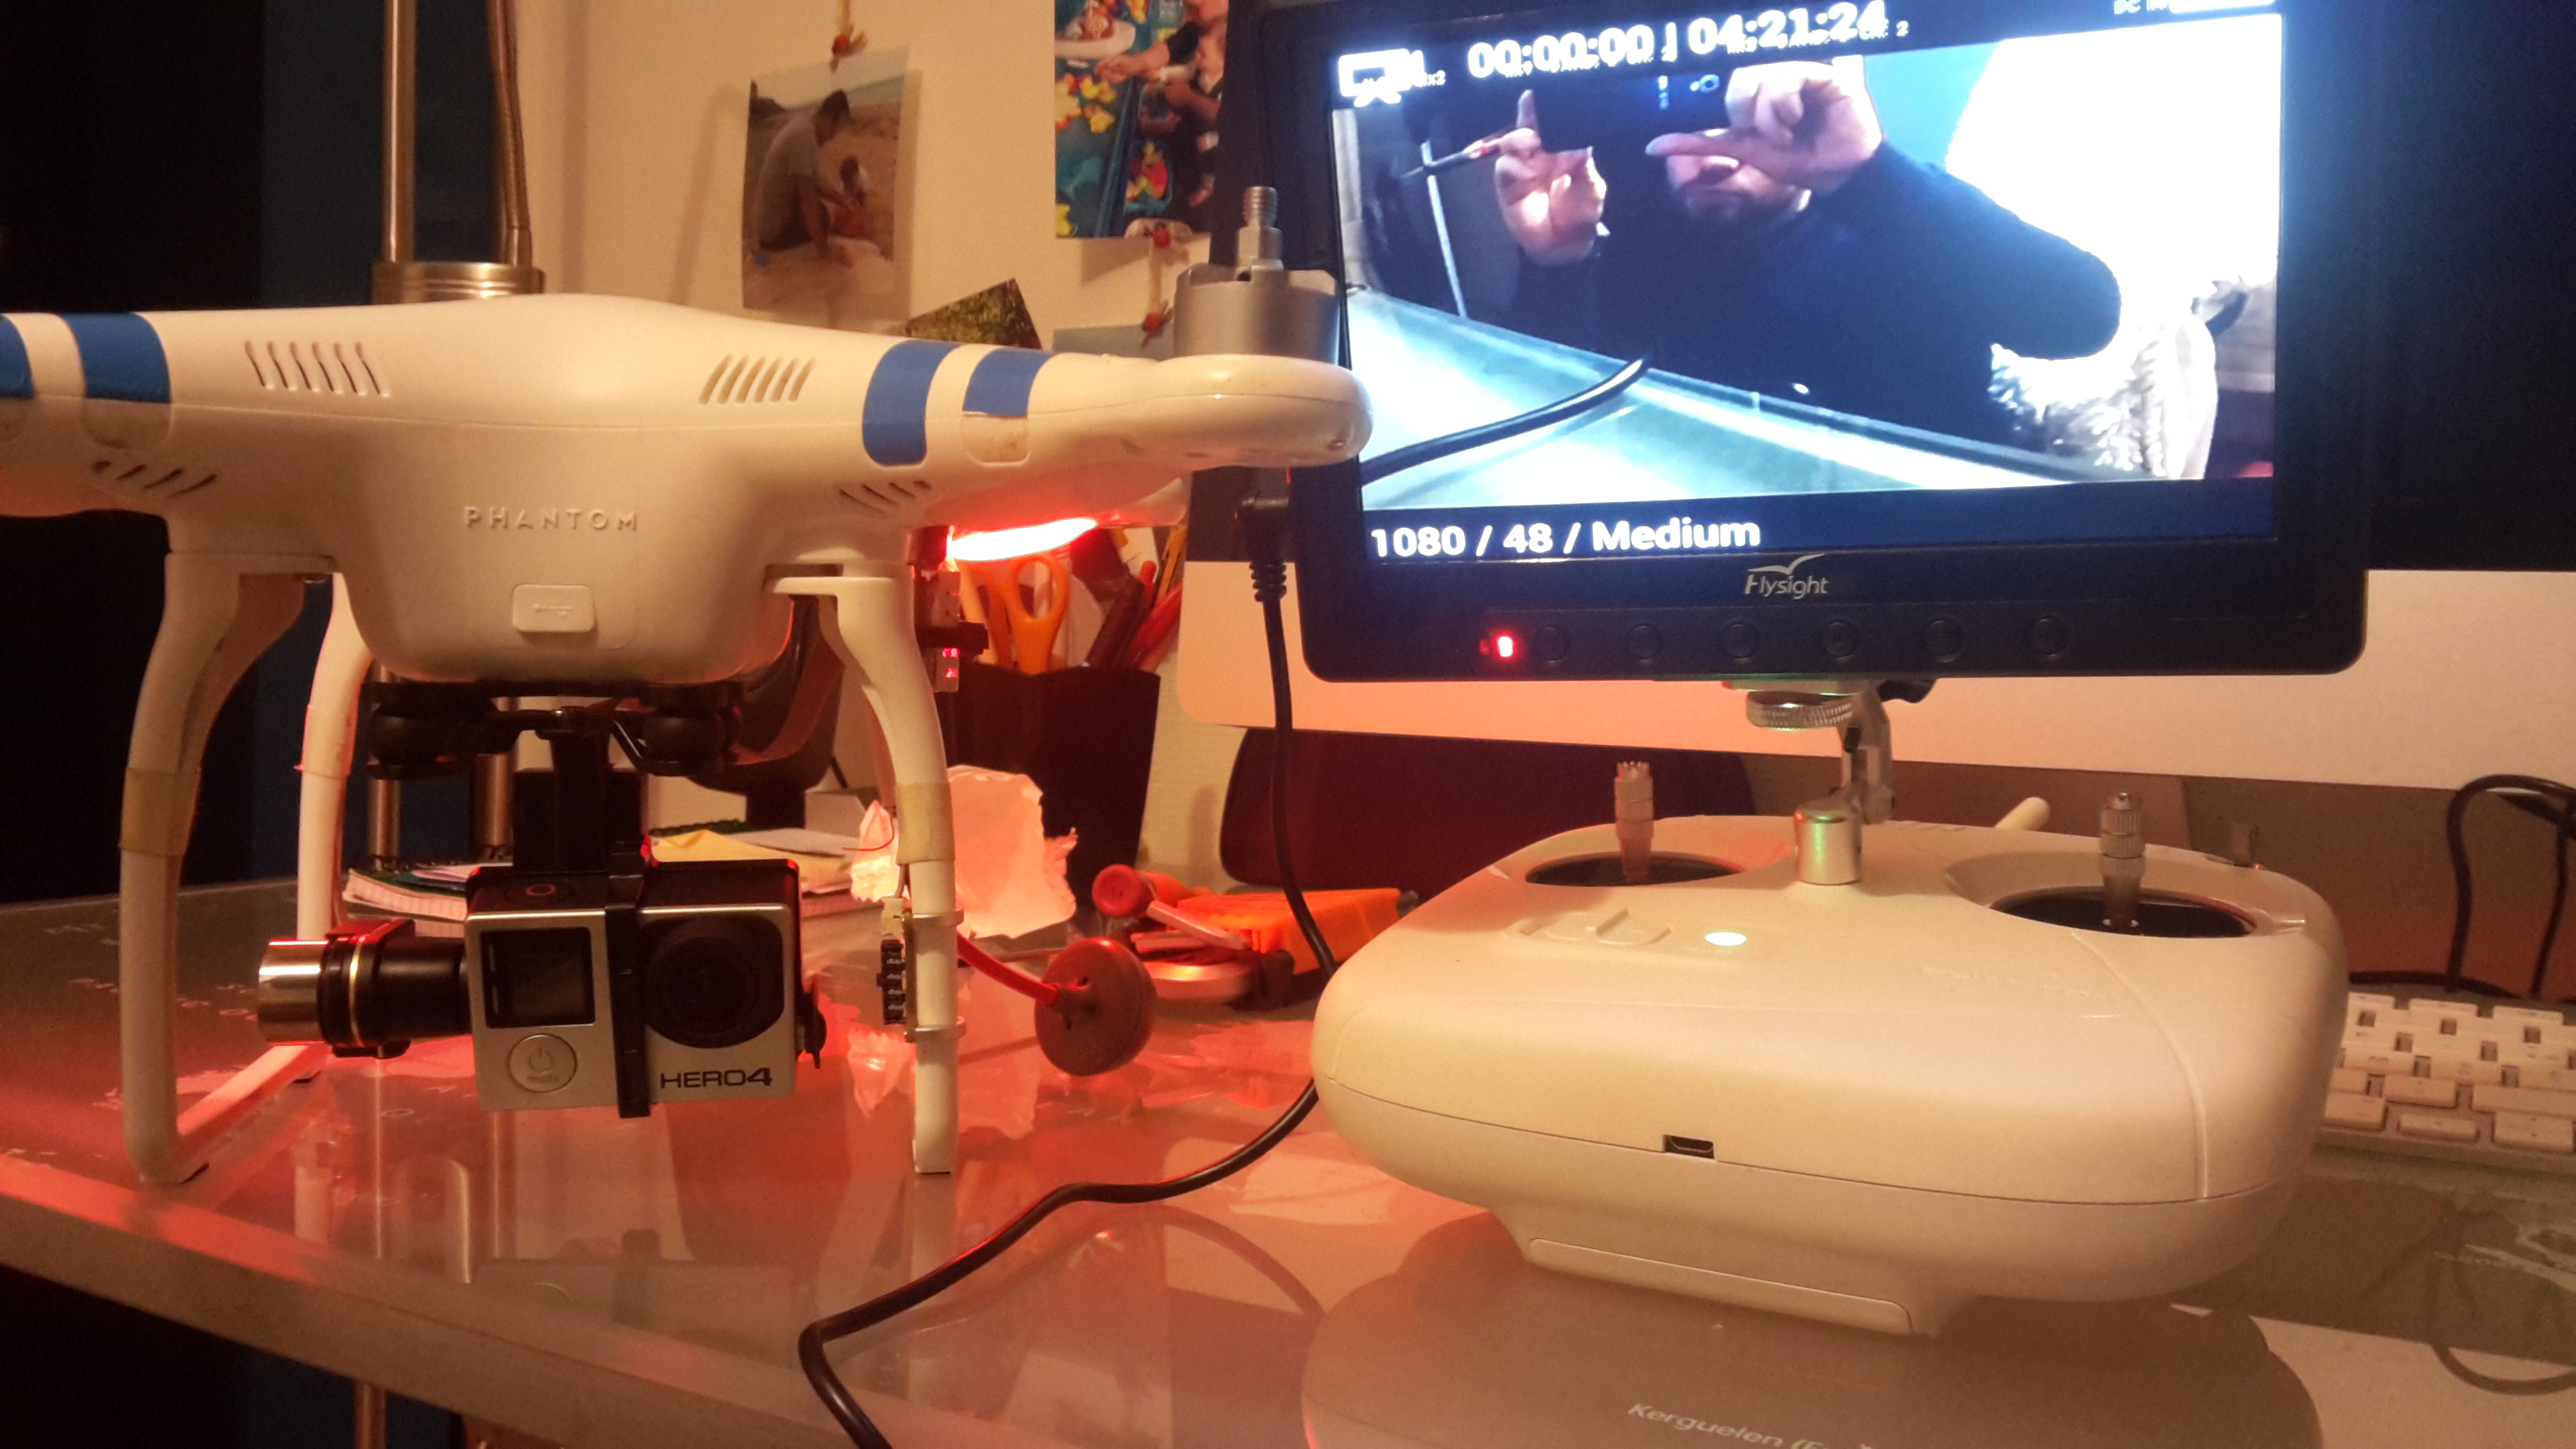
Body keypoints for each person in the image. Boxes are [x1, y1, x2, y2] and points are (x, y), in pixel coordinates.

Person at [1492, 62, 2121, 447]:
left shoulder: (1906, 222)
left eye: (1736, 124)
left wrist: (1868, 174)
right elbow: (1536, 424)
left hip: (1925, 564)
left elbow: (2082, 318)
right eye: (1686, 129)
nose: (1712, 156)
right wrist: (1556, 264)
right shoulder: (1635, 255)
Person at [1096, 0, 1226, 217]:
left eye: (1196, 9)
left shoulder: (1244, 46)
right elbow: (1175, 46)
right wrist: (1135, 64)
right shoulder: (1207, 28)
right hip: (1193, 134)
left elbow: (1232, 118)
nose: (1191, 17)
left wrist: (1188, 99)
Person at [751, 89, 855, 264]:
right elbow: (807, 199)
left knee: (821, 212)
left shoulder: (804, 124)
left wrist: (840, 199)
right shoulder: (804, 138)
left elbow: (814, 178)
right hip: (771, 233)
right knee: (821, 216)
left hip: (766, 221)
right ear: (829, 121)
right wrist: (824, 252)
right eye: (834, 131)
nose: (831, 139)